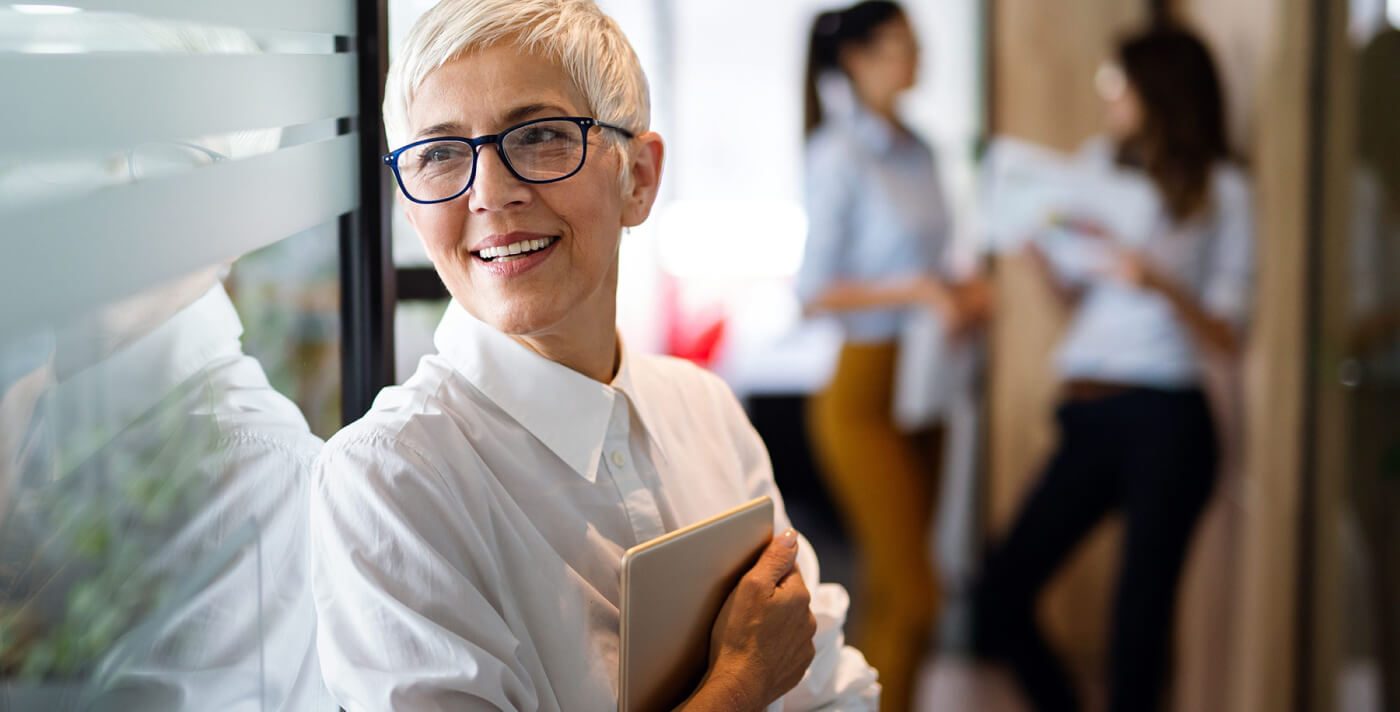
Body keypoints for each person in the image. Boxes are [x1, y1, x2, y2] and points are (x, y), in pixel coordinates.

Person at [309, 1, 880, 709]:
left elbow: (831, 686)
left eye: (542, 135)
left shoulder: (702, 407)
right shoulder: (389, 481)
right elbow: (780, 673)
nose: (490, 193)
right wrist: (740, 684)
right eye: (440, 154)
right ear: (407, 207)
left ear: (638, 177)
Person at [972, 26, 1254, 712]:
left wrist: (1158, 283)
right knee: (1001, 589)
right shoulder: (1099, 164)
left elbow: (1228, 332)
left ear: (1159, 90)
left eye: (1118, 84)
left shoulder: (1224, 190)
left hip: (1168, 417)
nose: (1110, 98)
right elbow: (1077, 297)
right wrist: (1041, 251)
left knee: (1139, 626)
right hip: (1089, 411)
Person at [797, 3, 984, 709]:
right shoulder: (839, 154)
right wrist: (919, 290)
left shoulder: (924, 150)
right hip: (865, 389)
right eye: (899, 46)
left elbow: (933, 264)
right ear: (857, 60)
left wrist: (960, 294)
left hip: (929, 377)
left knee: (890, 591)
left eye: (916, 44)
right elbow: (812, 291)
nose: (915, 58)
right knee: (916, 593)